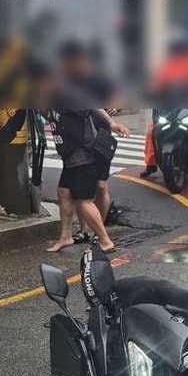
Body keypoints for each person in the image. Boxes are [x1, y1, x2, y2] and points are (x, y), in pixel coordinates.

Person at [47, 41, 128, 253]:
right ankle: (66, 237)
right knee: (64, 193)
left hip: (82, 152)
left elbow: (92, 106)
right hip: (70, 153)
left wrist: (112, 123)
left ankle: (103, 239)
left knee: (85, 200)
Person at [141, 39, 188, 177]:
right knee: (151, 130)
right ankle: (150, 164)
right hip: (168, 107)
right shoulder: (165, 67)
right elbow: (156, 85)